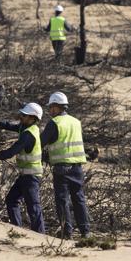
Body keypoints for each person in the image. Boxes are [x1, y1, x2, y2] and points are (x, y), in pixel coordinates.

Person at [0, 103, 46, 233]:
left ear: (32, 118)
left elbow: (12, 152)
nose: (21, 117)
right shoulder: (25, 128)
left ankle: (40, 235)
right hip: (25, 176)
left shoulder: (28, 134)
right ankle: (18, 230)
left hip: (31, 176)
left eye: (24, 115)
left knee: (33, 207)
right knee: (11, 200)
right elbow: (8, 125)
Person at [40, 92, 90, 239]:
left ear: (56, 107)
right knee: (79, 199)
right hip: (78, 167)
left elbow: (41, 143)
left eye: (51, 107)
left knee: (62, 201)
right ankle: (85, 231)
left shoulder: (54, 123)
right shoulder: (76, 122)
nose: (50, 111)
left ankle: (67, 232)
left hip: (62, 169)